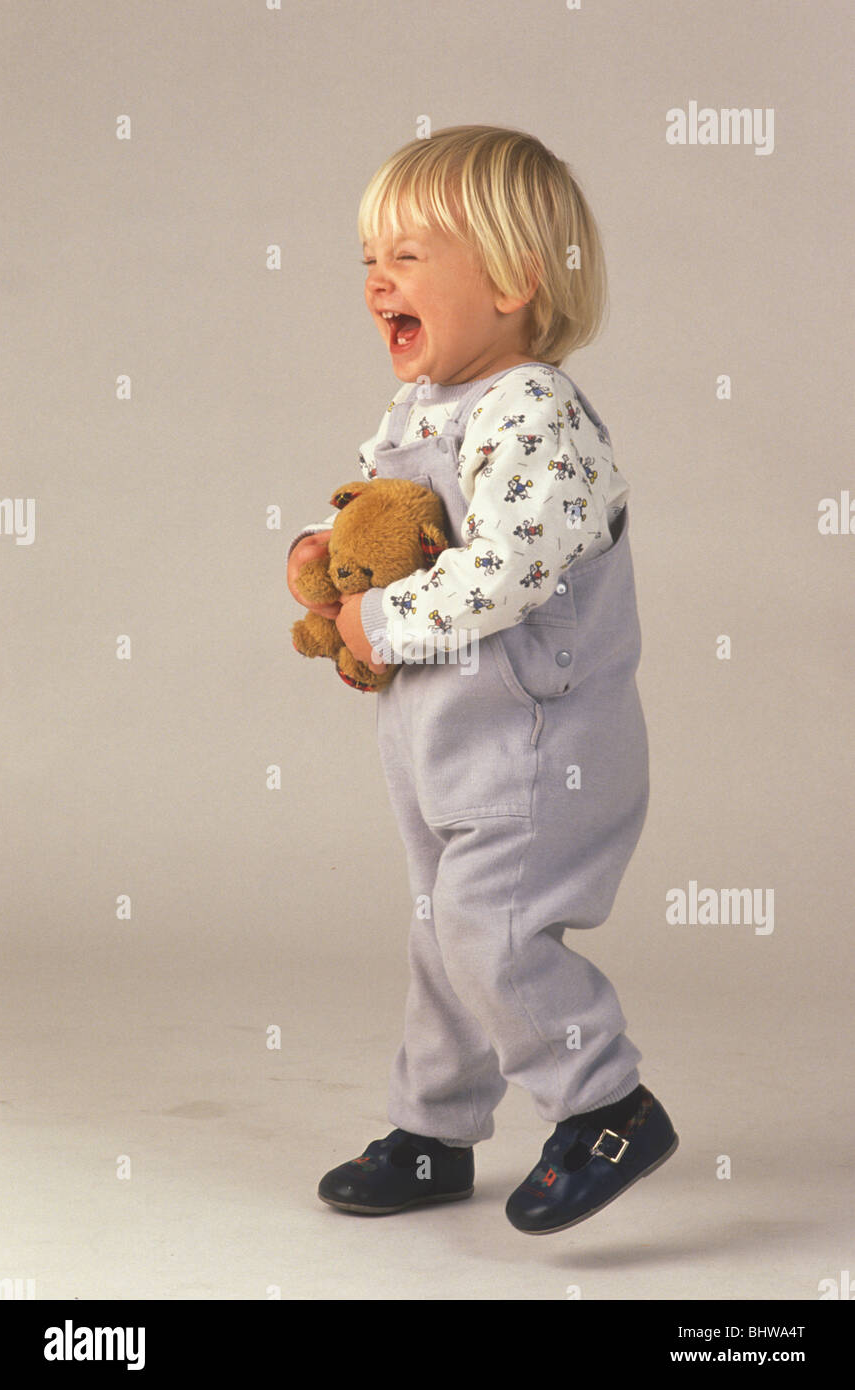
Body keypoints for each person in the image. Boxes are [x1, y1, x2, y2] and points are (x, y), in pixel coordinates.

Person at [286, 125, 678, 1234]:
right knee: (441, 928)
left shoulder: (540, 415)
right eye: (371, 255)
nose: (376, 278)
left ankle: (607, 1102)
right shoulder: (420, 412)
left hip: (537, 743)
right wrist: (323, 552)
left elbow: (503, 572)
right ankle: (434, 1129)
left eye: (407, 255)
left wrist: (383, 617)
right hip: (442, 740)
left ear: (511, 279)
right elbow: (385, 515)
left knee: (490, 928)